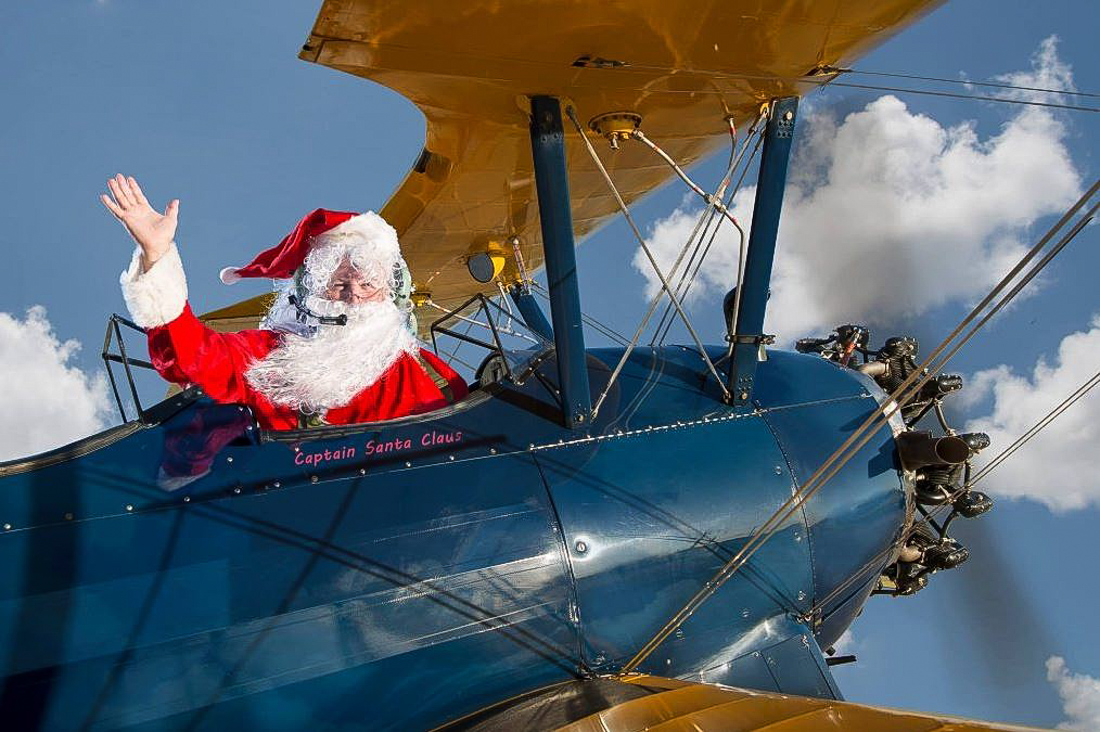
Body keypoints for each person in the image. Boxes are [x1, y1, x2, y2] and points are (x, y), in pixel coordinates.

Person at [101, 174, 467, 430]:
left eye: (368, 283)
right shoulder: (268, 358)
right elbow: (191, 356)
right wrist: (157, 256)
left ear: (391, 291)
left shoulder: (429, 374)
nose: (354, 295)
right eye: (339, 283)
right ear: (310, 290)